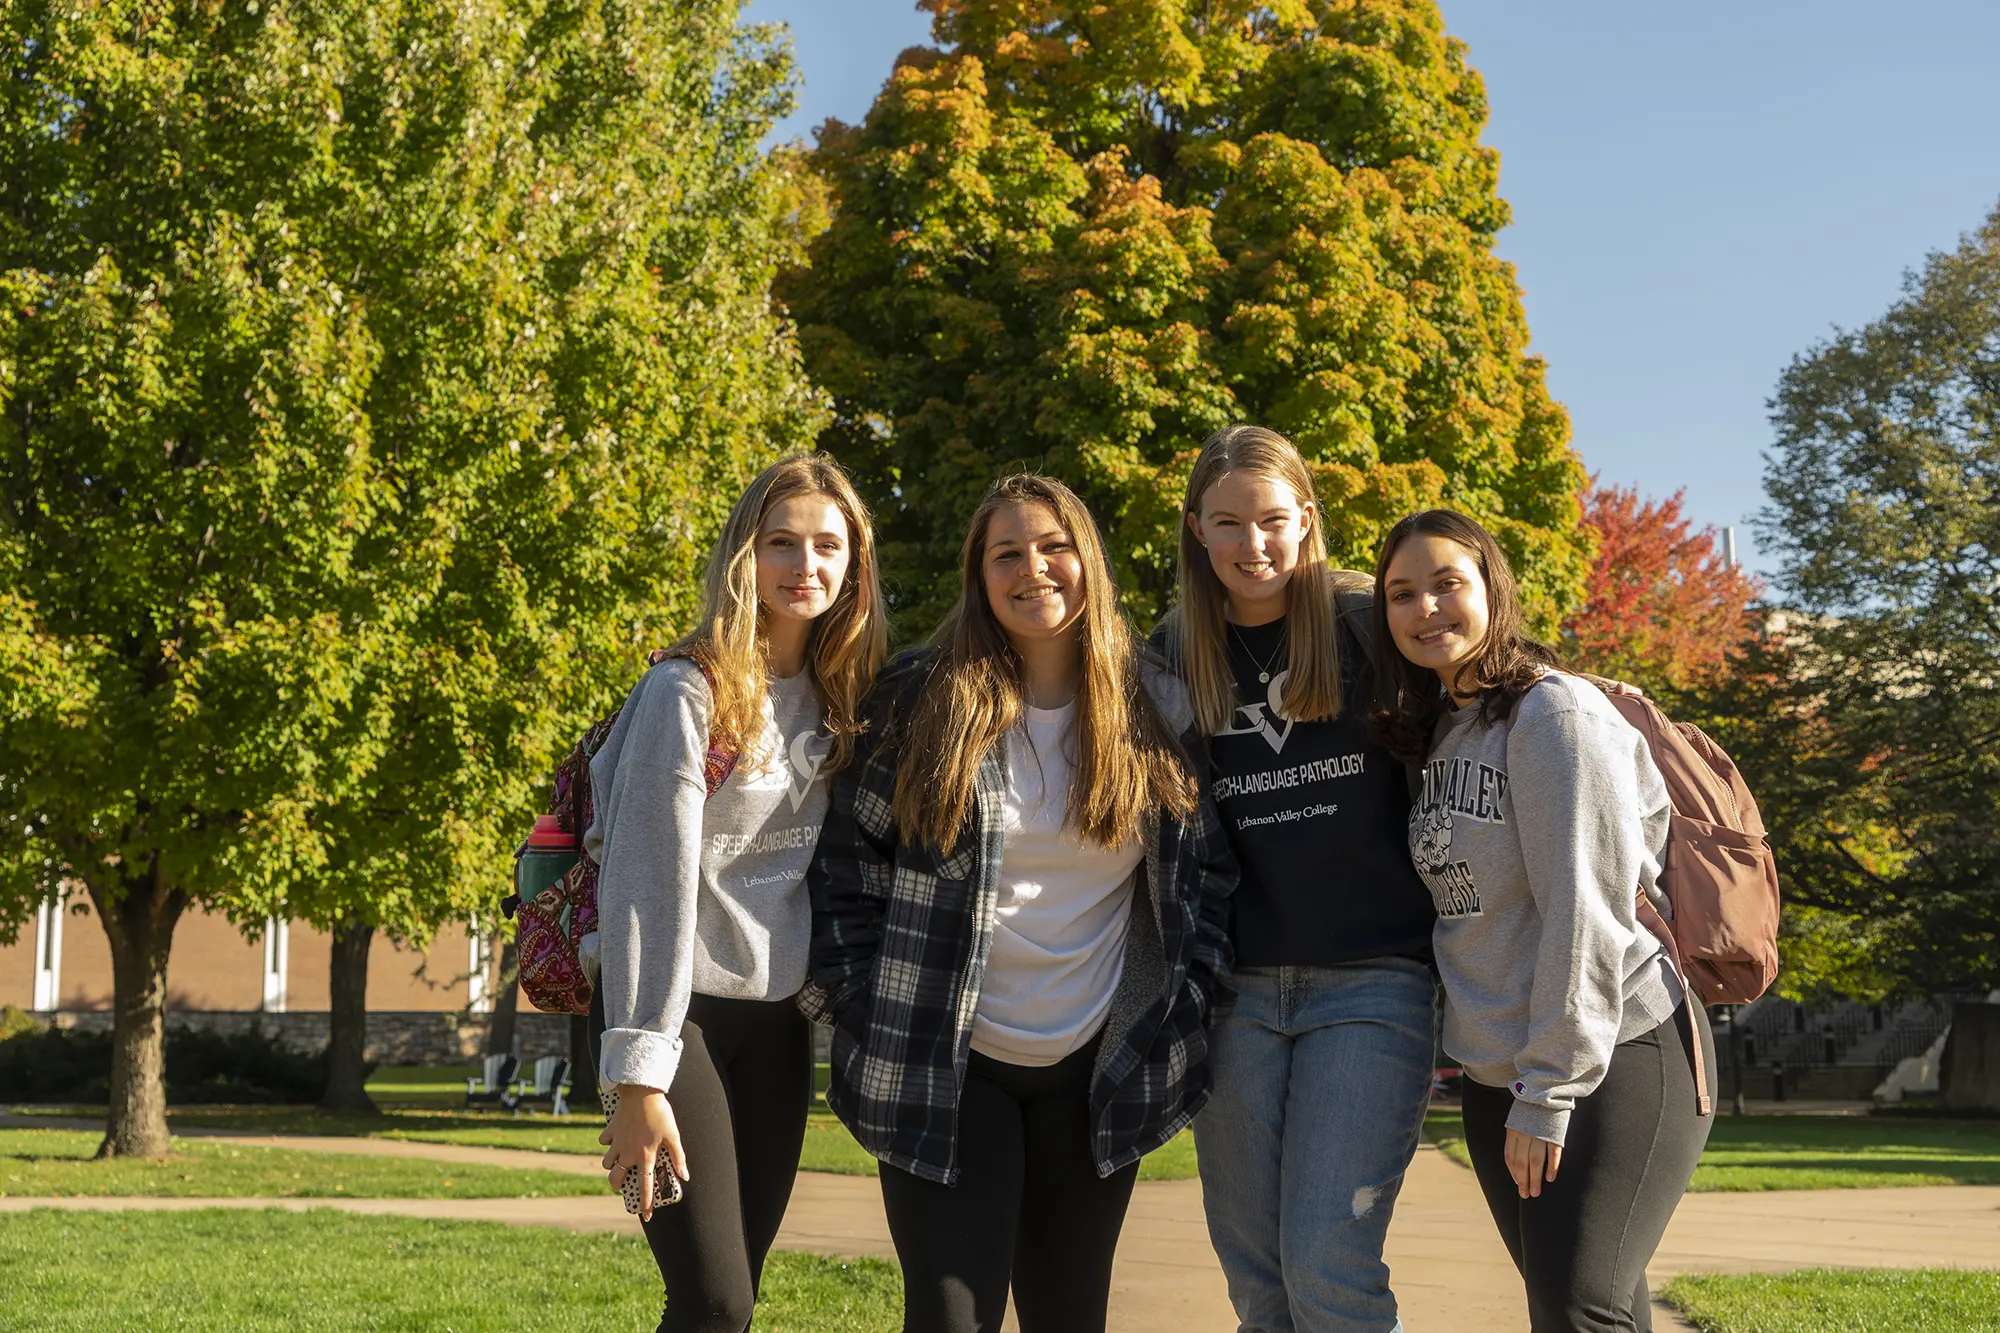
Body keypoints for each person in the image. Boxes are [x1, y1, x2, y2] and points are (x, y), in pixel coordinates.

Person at [801, 473, 1236, 1333]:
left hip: (1098, 1071)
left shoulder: (1157, 702)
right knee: (949, 1317)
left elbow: (1206, 879)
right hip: (943, 1065)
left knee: (1069, 1317)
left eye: (1053, 547)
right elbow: (845, 864)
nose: (1034, 568)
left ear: (1089, 561)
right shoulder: (920, 696)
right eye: (1008, 553)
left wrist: (1188, 1006)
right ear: (980, 573)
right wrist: (856, 1004)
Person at [1372, 508, 1715, 1333]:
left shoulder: (1555, 716)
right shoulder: (1445, 731)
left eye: (1447, 583)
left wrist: (1548, 1090)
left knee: (1576, 1310)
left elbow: (1587, 911)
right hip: (1500, 1072)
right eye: (1400, 593)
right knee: (1593, 1308)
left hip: (1616, 1055)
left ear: (1494, 586)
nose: (1426, 608)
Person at [591, 453, 886, 1333]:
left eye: (828, 546)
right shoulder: (688, 689)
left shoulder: (844, 694)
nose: (806, 566)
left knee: (734, 1297)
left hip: (777, 1023)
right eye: (782, 542)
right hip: (678, 1022)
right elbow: (643, 881)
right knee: (716, 1299)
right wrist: (640, 1076)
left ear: (853, 564)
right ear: (743, 556)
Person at [1154, 425, 1438, 1333]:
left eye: (1273, 519)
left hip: (1373, 984)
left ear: (1307, 519)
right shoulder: (1170, 654)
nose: (1253, 544)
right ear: (1198, 528)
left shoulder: (1368, 623)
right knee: (1258, 1279)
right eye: (1229, 522)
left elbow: (1491, 691)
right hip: (1235, 995)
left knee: (1327, 1261)